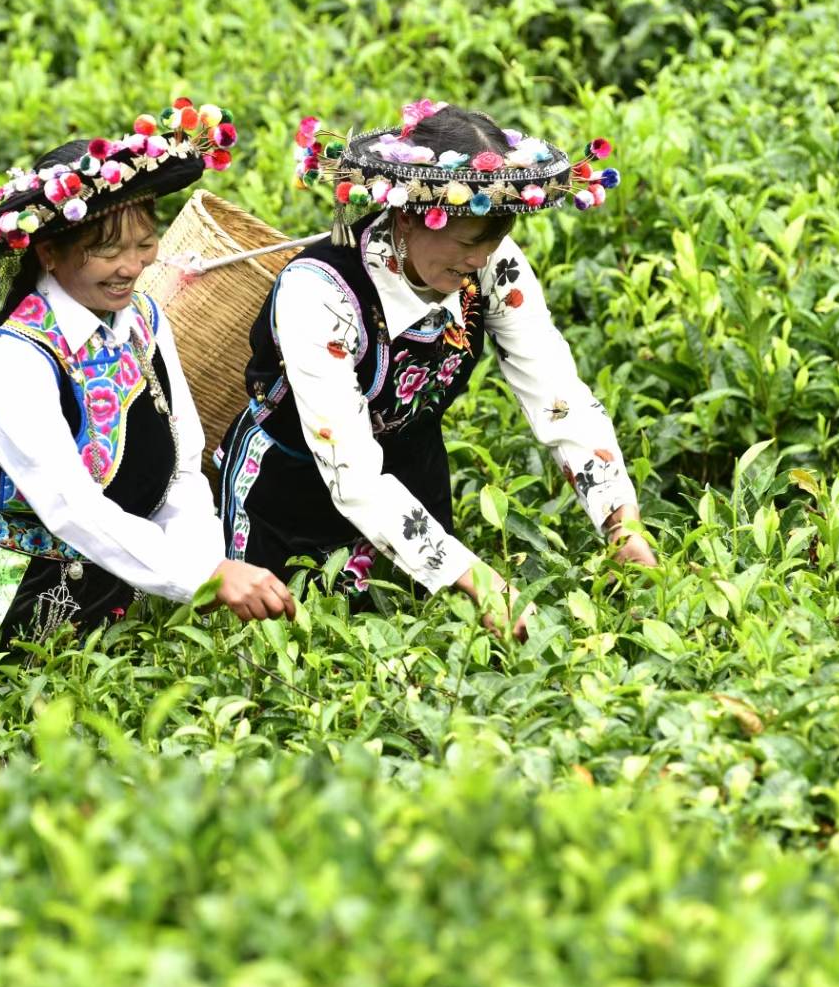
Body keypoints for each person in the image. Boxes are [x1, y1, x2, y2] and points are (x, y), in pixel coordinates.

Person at [0, 99, 293, 760]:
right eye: (106, 248)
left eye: (145, 242)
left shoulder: (145, 316)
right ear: (52, 252)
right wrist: (202, 575)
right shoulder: (15, 357)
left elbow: (181, 459)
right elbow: (70, 506)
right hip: (0, 601)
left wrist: (208, 561)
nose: (131, 264)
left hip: (115, 580)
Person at [217, 101, 655, 642]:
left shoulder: (493, 265)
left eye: (492, 241)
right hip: (290, 497)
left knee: (424, 652)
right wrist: (474, 578)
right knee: (294, 658)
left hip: (411, 480)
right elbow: (351, 473)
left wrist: (620, 522)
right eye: (469, 243)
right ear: (409, 216)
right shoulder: (320, 293)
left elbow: (555, 392)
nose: (480, 260)